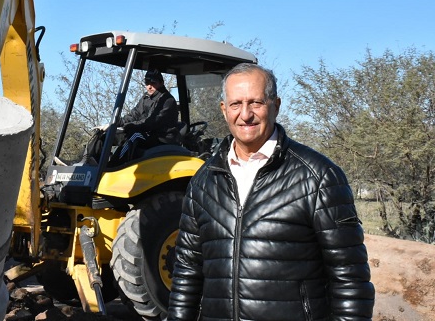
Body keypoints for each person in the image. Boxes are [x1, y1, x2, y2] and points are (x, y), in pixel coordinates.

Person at [167, 63, 375, 320]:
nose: (245, 115)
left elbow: (350, 280)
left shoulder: (318, 177)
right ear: (223, 110)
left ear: (275, 105)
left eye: (255, 103)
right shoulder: (203, 181)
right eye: (235, 104)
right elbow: (187, 271)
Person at [110, 69, 179, 162]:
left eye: (153, 83)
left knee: (134, 135)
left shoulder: (167, 100)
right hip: (149, 135)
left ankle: (113, 166)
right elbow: (134, 114)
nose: (149, 87)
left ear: (161, 83)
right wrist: (114, 124)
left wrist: (128, 126)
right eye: (147, 83)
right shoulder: (145, 98)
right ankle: (91, 163)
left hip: (162, 139)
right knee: (110, 134)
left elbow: (151, 122)